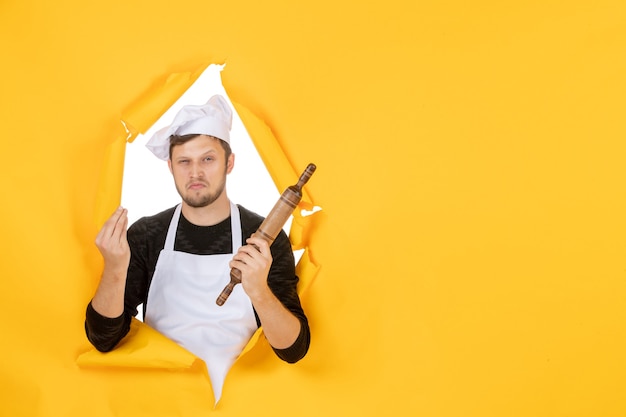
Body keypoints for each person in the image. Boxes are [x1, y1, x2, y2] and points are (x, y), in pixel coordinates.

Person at [84, 94, 310, 401]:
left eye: (207, 159)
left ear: (229, 162)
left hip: (240, 403)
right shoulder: (147, 235)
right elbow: (104, 339)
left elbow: (293, 349)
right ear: (170, 166)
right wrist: (114, 267)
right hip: (161, 402)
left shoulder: (263, 240)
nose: (195, 173)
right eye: (184, 161)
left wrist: (258, 290)